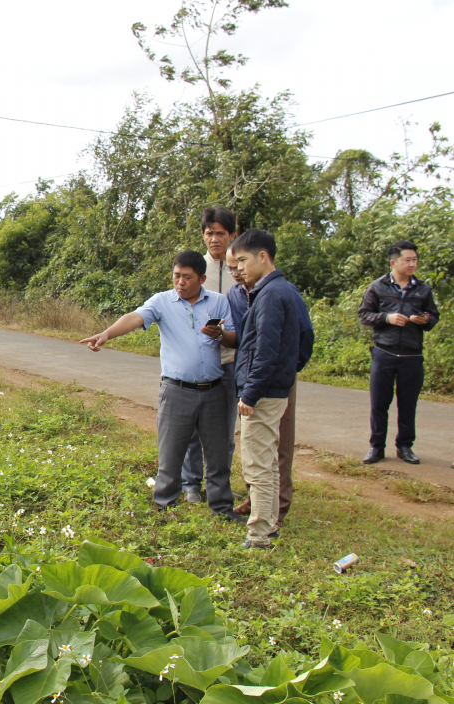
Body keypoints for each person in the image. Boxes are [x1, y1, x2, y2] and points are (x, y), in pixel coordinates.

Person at [81, 251, 243, 521]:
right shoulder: (162, 301)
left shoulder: (218, 302)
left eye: (187, 277)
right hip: (176, 390)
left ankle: (221, 507)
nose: (180, 282)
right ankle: (165, 504)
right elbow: (135, 317)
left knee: (217, 455)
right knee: (170, 452)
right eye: (176, 275)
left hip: (215, 390)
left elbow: (235, 338)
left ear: (202, 278)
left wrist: (221, 335)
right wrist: (107, 334)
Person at [225, 245, 314, 529]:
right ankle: (271, 522)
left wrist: (250, 393)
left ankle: (259, 531)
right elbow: (300, 339)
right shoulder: (281, 290)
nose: (238, 268)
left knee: (258, 463)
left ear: (262, 256)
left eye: (242, 261)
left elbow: (265, 350)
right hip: (274, 387)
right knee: (270, 461)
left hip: (262, 392)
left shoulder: (271, 296)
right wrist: (287, 373)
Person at [358, 241, 440, 465]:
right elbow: (364, 315)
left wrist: (425, 320)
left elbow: (433, 317)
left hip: (412, 355)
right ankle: (376, 447)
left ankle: (405, 446)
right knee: (379, 403)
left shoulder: (423, 288)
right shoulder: (377, 287)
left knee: (408, 404)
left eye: (415, 260)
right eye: (408, 260)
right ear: (393, 262)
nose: (413, 263)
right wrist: (387, 318)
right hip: (384, 352)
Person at [182, 207, 238, 503]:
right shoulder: (195, 268)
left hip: (230, 361)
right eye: (209, 233)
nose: (214, 239)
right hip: (197, 361)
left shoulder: (240, 270)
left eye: (220, 233)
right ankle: (190, 483)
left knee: (225, 430)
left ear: (232, 235)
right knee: (193, 425)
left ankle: (221, 485)